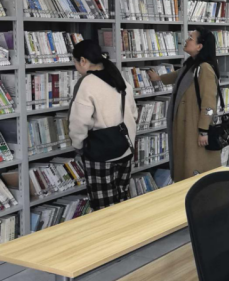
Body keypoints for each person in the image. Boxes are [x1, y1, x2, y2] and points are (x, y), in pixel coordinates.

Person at [69, 39, 137, 210]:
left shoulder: (87, 83)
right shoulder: (118, 77)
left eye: (75, 63)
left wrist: (79, 145)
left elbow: (79, 122)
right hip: (126, 147)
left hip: (101, 153)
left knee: (104, 209)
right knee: (122, 201)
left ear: (83, 61)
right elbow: (133, 113)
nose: (76, 68)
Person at [149, 28, 221, 182]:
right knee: (185, 164)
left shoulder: (204, 68)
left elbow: (209, 104)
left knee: (194, 167)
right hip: (187, 126)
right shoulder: (192, 65)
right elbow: (178, 75)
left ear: (199, 46)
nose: (186, 41)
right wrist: (159, 78)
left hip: (196, 128)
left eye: (190, 38)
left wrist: (204, 130)